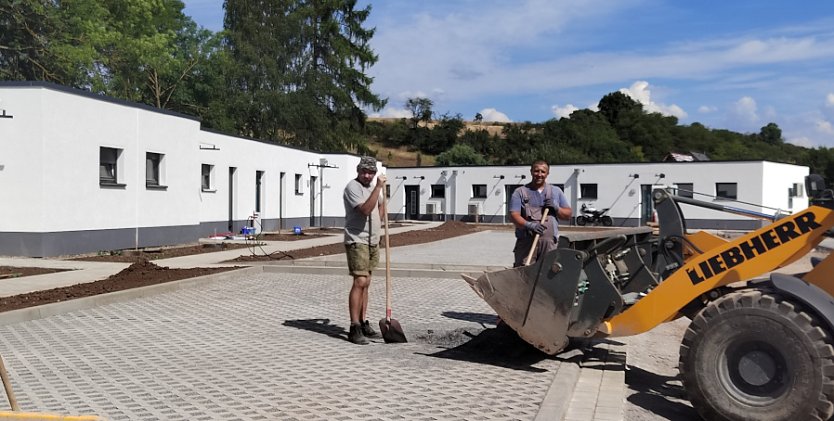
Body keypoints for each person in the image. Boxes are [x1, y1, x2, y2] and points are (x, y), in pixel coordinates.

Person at [343, 156, 386, 345]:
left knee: (367, 282)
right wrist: (377, 187)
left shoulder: (375, 187)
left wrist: (380, 223)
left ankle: (362, 322)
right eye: (364, 172)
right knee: (360, 280)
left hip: (372, 241)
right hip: (357, 240)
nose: (367, 175)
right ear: (358, 171)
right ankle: (354, 327)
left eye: (370, 172)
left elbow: (380, 205)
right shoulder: (353, 187)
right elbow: (365, 210)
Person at [509, 160, 572, 267]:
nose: (539, 174)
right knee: (524, 273)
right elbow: (513, 215)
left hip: (549, 244)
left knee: (547, 272)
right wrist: (530, 225)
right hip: (526, 243)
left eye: (543, 172)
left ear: (547, 173)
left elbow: (568, 215)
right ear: (531, 171)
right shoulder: (520, 192)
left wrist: (556, 207)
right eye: (536, 171)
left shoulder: (556, 191)